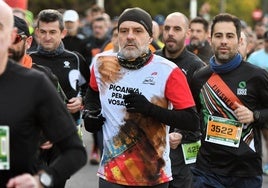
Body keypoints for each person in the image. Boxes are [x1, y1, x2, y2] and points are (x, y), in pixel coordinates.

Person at [82, 7, 200, 188]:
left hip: (153, 176)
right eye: (124, 31)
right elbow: (92, 92)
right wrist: (90, 113)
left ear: (150, 37)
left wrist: (150, 109)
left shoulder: (168, 71)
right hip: (110, 175)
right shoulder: (101, 63)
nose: (130, 36)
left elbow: (191, 121)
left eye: (137, 31)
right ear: (118, 35)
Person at [0, 1, 87, 187]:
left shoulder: (36, 81)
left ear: (10, 36)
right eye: (44, 32)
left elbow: (75, 151)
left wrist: (42, 180)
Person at [190, 13, 268, 188]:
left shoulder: (256, 75)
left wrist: (254, 115)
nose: (224, 41)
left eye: (229, 36)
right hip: (207, 171)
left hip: (245, 172)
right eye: (219, 36)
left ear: (239, 40)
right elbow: (192, 116)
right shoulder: (200, 77)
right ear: (210, 40)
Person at [155, 12, 204, 188]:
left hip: (182, 151)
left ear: (187, 33)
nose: (170, 33)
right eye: (167, 28)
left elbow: (202, 113)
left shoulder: (197, 68)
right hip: (152, 146)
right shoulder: (152, 60)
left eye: (177, 29)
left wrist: (182, 134)